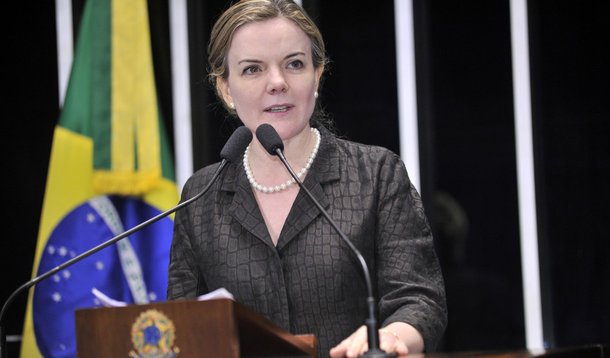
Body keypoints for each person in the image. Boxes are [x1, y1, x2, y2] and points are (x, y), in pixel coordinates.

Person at [167, 0, 447, 356]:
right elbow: (181, 321)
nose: (277, 82)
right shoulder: (201, 196)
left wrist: (393, 337)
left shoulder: (375, 174)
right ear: (225, 88)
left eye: (294, 64)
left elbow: (419, 299)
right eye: (253, 70)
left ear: (317, 74)